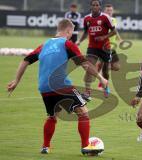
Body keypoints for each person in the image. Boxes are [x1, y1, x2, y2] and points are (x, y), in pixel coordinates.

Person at [7, 19, 108, 155]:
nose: (72, 35)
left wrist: (16, 81)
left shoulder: (44, 45)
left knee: (52, 116)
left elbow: (26, 60)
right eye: (71, 32)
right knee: (83, 113)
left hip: (44, 88)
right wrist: (101, 78)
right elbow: (85, 64)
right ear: (68, 31)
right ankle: (86, 146)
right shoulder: (67, 44)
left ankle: (45, 146)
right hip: (62, 85)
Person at [76, 0, 117, 99]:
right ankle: (87, 92)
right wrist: (79, 41)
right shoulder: (86, 18)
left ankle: (105, 87)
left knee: (105, 70)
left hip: (105, 47)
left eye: (97, 5)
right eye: (93, 5)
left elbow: (114, 31)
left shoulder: (105, 17)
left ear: (100, 7)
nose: (95, 6)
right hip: (92, 47)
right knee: (89, 67)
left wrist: (104, 37)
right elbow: (86, 32)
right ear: (90, 6)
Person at [97, 3, 123, 90]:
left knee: (116, 67)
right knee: (106, 65)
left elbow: (115, 30)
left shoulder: (113, 20)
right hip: (105, 47)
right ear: (104, 11)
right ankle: (102, 84)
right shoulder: (102, 20)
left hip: (113, 47)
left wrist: (120, 39)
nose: (109, 12)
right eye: (108, 10)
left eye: (111, 10)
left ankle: (99, 69)